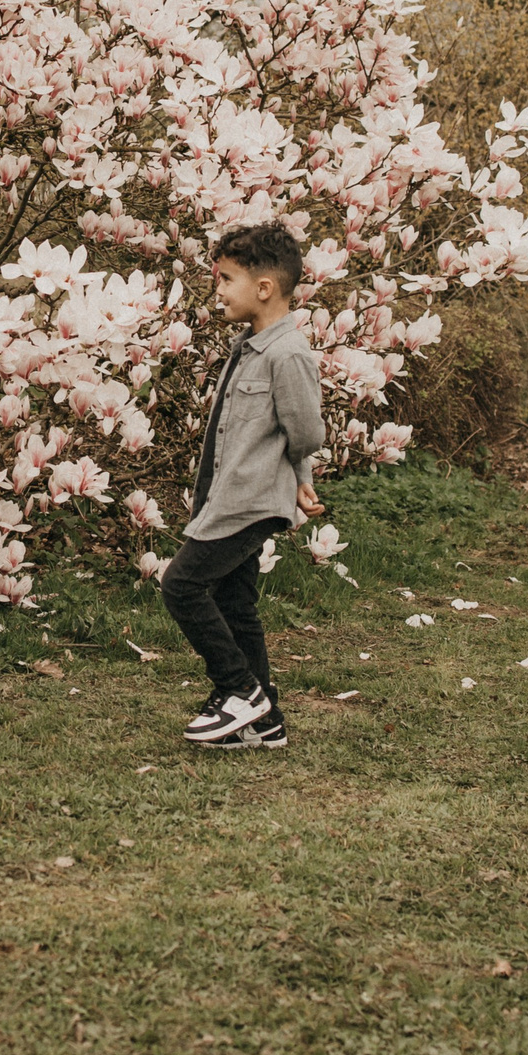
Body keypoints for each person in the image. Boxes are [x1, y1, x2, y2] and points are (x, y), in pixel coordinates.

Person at [160, 221, 326, 749]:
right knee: (235, 603)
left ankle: (238, 690)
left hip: (248, 501)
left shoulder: (287, 353)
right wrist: (298, 479)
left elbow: (305, 431)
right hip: (225, 494)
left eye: (226, 279)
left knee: (181, 585)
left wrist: (299, 477)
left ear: (264, 288)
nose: (219, 291)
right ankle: (266, 719)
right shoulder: (248, 346)